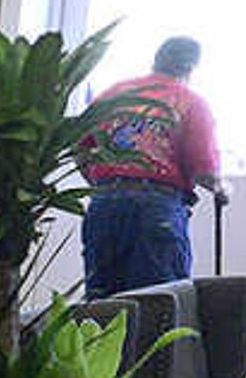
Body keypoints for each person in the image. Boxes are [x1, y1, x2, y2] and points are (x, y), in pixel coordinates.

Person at [77, 34, 222, 294]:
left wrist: (104, 182)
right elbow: (204, 172)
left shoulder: (116, 93)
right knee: (158, 303)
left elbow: (79, 145)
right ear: (190, 68)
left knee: (101, 303)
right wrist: (222, 188)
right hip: (156, 209)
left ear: (156, 61)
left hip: (105, 205)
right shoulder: (190, 101)